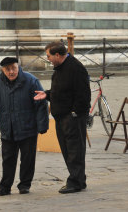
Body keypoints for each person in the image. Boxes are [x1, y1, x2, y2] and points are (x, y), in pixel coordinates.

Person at [0, 57, 49, 195]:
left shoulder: (31, 81)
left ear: (18, 67)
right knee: (8, 159)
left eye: (13, 68)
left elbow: (41, 104)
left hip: (28, 127)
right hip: (8, 128)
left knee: (28, 159)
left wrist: (42, 125)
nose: (11, 71)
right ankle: (5, 186)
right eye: (7, 69)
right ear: (3, 70)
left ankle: (24, 184)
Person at [34, 41, 91, 194]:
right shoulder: (60, 68)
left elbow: (83, 95)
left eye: (49, 56)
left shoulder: (75, 68)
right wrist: (47, 94)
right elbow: (61, 90)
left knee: (74, 150)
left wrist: (74, 113)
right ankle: (78, 179)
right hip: (62, 116)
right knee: (67, 150)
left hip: (71, 117)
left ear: (57, 55)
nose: (48, 59)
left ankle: (75, 182)